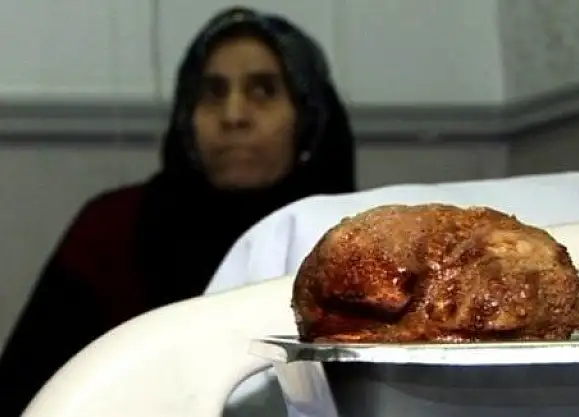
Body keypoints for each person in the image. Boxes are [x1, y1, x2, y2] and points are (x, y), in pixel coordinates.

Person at [0, 6, 356, 415]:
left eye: (263, 91)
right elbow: (23, 392)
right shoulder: (110, 231)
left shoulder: (346, 243)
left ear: (308, 118)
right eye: (212, 92)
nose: (233, 116)